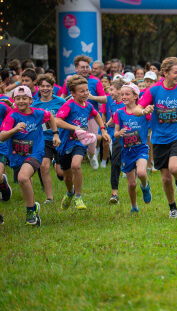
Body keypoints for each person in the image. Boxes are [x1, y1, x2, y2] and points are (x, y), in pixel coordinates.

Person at [130, 57, 177, 219]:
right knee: (165, 177)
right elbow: (136, 109)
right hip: (160, 138)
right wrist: (144, 111)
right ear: (165, 73)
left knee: (174, 168)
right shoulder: (154, 90)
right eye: (176, 73)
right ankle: (172, 207)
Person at [0, 86, 60, 225]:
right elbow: (2, 136)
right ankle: (33, 207)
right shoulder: (12, 116)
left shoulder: (38, 113)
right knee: (23, 181)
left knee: (22, 177)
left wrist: (55, 134)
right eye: (18, 98)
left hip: (36, 152)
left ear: (30, 100)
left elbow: (50, 116)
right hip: (17, 154)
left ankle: (30, 211)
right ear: (14, 100)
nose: (21, 101)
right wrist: (15, 129)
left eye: (24, 98)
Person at [55, 76, 111, 210]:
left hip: (79, 142)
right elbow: (57, 121)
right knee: (67, 177)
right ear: (73, 93)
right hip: (64, 144)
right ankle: (70, 193)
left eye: (87, 90)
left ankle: (78, 197)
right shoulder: (69, 105)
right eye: (82, 91)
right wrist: (75, 128)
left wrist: (103, 130)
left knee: (76, 165)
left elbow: (97, 115)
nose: (86, 93)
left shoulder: (89, 105)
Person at [58, 55, 108, 170]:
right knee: (73, 137)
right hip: (73, 115)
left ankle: (91, 154)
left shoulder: (95, 81)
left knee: (91, 141)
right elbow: (63, 96)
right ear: (76, 68)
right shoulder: (69, 80)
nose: (85, 69)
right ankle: (71, 156)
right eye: (82, 67)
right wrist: (61, 105)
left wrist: (92, 97)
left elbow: (104, 99)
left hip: (90, 115)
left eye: (87, 67)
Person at [110, 83, 153, 213]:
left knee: (141, 173)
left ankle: (145, 186)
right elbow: (115, 133)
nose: (123, 96)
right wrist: (119, 133)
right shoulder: (119, 113)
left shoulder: (143, 111)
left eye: (127, 94)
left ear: (135, 96)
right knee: (132, 184)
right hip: (127, 150)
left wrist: (149, 112)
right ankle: (134, 206)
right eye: (122, 94)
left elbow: (152, 124)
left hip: (141, 148)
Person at [31, 74, 66, 202]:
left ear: (52, 87)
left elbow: (66, 118)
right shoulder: (35, 105)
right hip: (44, 140)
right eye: (42, 86)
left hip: (60, 138)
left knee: (61, 173)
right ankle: (49, 198)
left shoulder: (61, 102)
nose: (45, 88)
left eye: (48, 86)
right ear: (38, 87)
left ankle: (60, 172)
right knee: (44, 166)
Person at [103, 80, 127, 203]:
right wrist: (106, 125)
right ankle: (114, 194)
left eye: (112, 89)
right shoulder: (112, 103)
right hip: (117, 136)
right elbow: (113, 117)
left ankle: (143, 184)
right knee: (115, 163)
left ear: (119, 90)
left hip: (131, 136)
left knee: (132, 165)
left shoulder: (127, 103)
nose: (109, 92)